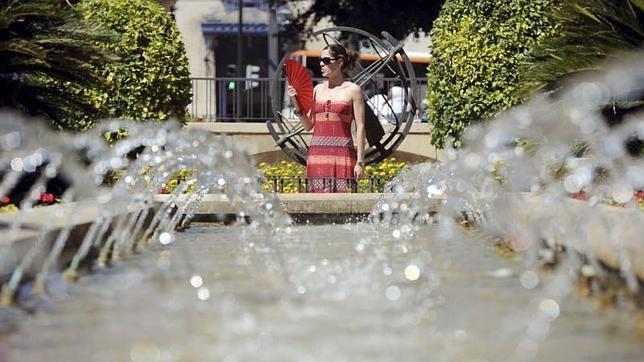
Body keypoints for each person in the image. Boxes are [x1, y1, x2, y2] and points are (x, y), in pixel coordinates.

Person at [287, 44, 366, 192]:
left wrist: (360, 162)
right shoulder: (317, 90)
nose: (322, 64)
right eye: (320, 60)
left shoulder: (353, 90)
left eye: (326, 60)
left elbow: (361, 127)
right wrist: (296, 103)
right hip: (317, 156)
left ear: (340, 61)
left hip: (343, 155)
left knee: (344, 205)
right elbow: (308, 126)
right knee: (317, 204)